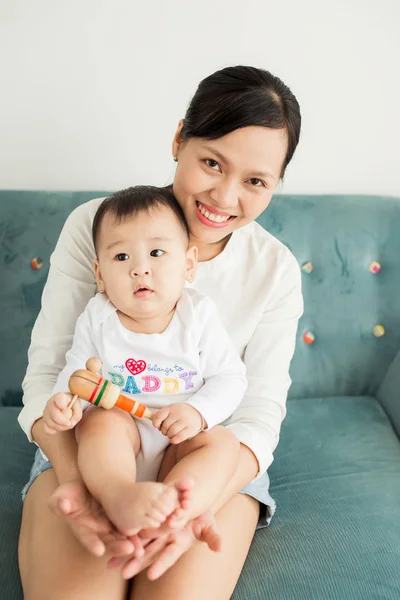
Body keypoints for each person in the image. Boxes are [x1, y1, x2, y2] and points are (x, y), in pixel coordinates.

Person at [18, 65, 303, 599]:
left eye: (256, 181)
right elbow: (51, 376)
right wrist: (81, 484)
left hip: (203, 450)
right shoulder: (98, 225)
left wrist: (199, 497)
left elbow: (258, 416)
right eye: (212, 162)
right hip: (92, 443)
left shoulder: (275, 269)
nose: (224, 196)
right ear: (179, 140)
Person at [41, 185, 247, 537]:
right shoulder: (98, 317)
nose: (140, 269)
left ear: (188, 264)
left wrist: (197, 413)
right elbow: (78, 374)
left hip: (177, 443)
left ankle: (180, 505)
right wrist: (64, 403)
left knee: (224, 443)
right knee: (100, 425)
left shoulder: (197, 315)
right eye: (122, 258)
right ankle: (118, 495)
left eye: (156, 252)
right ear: (100, 274)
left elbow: (231, 377)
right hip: (120, 446)